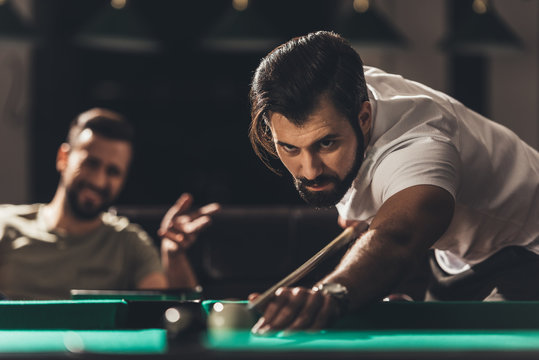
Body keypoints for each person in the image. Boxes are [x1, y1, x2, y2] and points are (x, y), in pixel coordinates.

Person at [247, 31, 539, 334]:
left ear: (364, 117)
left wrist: (328, 295)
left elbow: (397, 236)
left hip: (529, 249)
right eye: (290, 148)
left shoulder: (421, 143)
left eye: (327, 143)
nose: (309, 171)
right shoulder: (342, 87)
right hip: (460, 258)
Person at [0, 108, 219, 300]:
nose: (98, 181)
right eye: (91, 163)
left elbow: (169, 312)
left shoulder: (128, 242)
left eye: (113, 171)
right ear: (63, 158)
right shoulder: (5, 224)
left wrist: (175, 257)